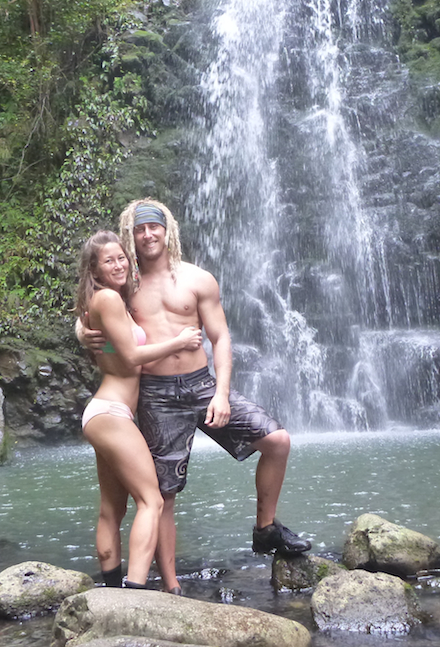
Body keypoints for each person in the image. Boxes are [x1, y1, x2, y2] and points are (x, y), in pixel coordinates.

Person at [78, 199, 310, 595]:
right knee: (162, 495)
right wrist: (80, 332)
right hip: (156, 395)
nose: (148, 234)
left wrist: (221, 392)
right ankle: (171, 585)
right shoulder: (125, 285)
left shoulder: (198, 279)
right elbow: (94, 307)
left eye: (155, 227)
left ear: (168, 230)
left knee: (277, 440)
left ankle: (265, 528)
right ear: (130, 235)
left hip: (202, 385)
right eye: (139, 229)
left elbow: (219, 337)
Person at [75, 229, 202, 589]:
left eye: (120, 257)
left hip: (104, 413)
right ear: (94, 270)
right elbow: (131, 356)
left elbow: (107, 342)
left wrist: (81, 332)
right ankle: (136, 590)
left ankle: (112, 587)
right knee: (152, 500)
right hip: (112, 413)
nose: (117, 265)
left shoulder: (103, 300)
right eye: (108, 261)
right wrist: (178, 341)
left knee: (112, 510)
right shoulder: (109, 301)